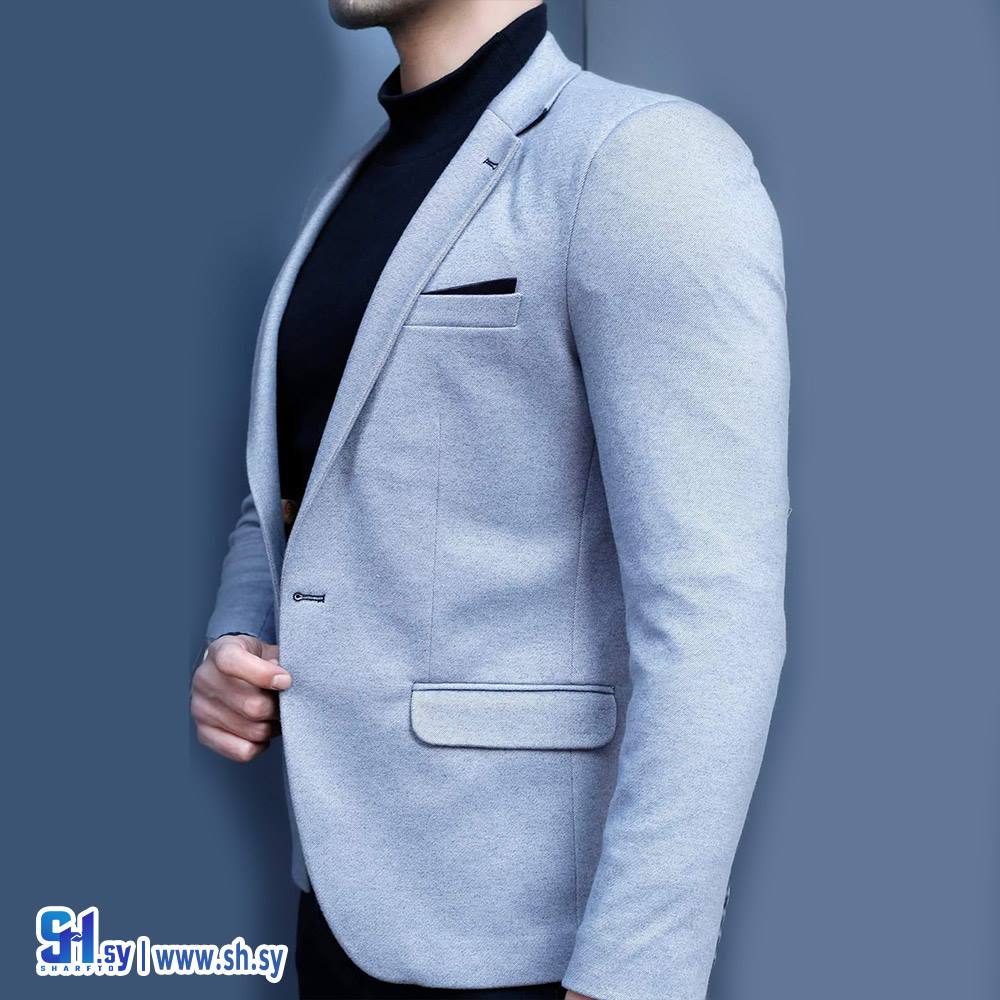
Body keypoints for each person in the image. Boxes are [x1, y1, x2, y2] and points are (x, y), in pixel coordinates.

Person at [191, 2, 789, 997]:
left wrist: (633, 974)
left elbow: (715, 607)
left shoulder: (639, 159)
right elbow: (298, 486)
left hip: (530, 938)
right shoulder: (353, 189)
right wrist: (237, 632)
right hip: (336, 897)